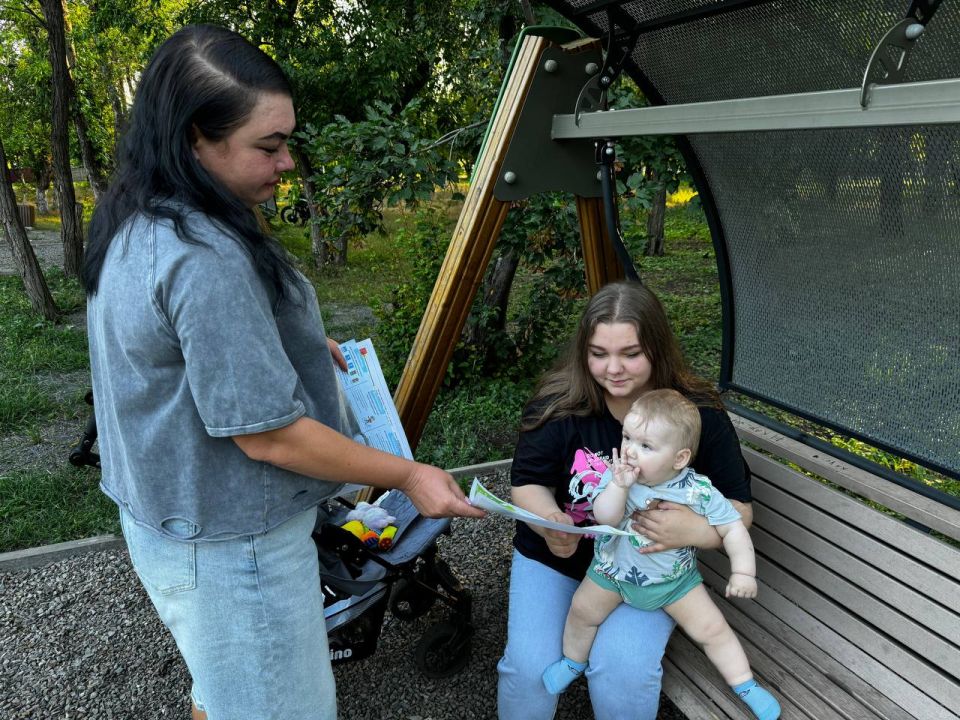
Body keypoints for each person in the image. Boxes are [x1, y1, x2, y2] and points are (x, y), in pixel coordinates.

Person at [82, 24, 483, 720]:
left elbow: (177, 346)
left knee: (227, 689)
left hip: (169, 522)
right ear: (194, 141)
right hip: (235, 547)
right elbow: (268, 438)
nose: (287, 161)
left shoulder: (136, 216)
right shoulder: (204, 256)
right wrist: (410, 477)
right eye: (268, 146)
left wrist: (277, 343)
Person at [498, 280, 754, 720]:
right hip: (555, 559)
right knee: (528, 668)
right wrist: (547, 519)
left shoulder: (696, 414)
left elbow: (740, 508)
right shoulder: (560, 403)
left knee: (621, 670)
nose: (613, 369)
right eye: (598, 354)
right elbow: (526, 482)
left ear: (656, 348)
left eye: (630, 353)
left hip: (647, 572)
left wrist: (696, 531)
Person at [542, 389, 780, 720]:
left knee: (713, 630)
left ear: (679, 458)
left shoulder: (698, 490)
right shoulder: (617, 476)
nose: (630, 451)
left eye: (646, 446)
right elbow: (606, 517)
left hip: (673, 583)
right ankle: (572, 660)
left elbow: (733, 527)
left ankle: (746, 685)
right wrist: (618, 487)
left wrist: (743, 571)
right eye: (627, 437)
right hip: (612, 573)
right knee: (582, 611)